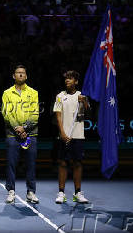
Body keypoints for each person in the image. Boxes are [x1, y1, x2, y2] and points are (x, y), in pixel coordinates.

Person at [2, 65, 39, 204]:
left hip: (31, 134)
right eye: (18, 73)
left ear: (26, 76)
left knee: (31, 164)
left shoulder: (33, 93)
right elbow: (6, 113)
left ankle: (31, 192)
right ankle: (11, 191)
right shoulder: (7, 93)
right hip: (12, 134)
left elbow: (35, 114)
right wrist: (18, 128)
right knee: (11, 164)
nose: (21, 75)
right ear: (14, 76)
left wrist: (24, 128)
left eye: (23, 73)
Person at [53, 70, 90, 204]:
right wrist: (62, 133)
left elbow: (87, 113)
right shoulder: (59, 96)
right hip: (64, 135)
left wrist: (83, 102)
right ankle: (61, 193)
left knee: (77, 164)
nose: (67, 80)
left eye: (70, 78)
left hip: (78, 135)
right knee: (63, 163)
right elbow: (58, 116)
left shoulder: (82, 96)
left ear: (76, 81)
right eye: (66, 78)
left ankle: (78, 193)